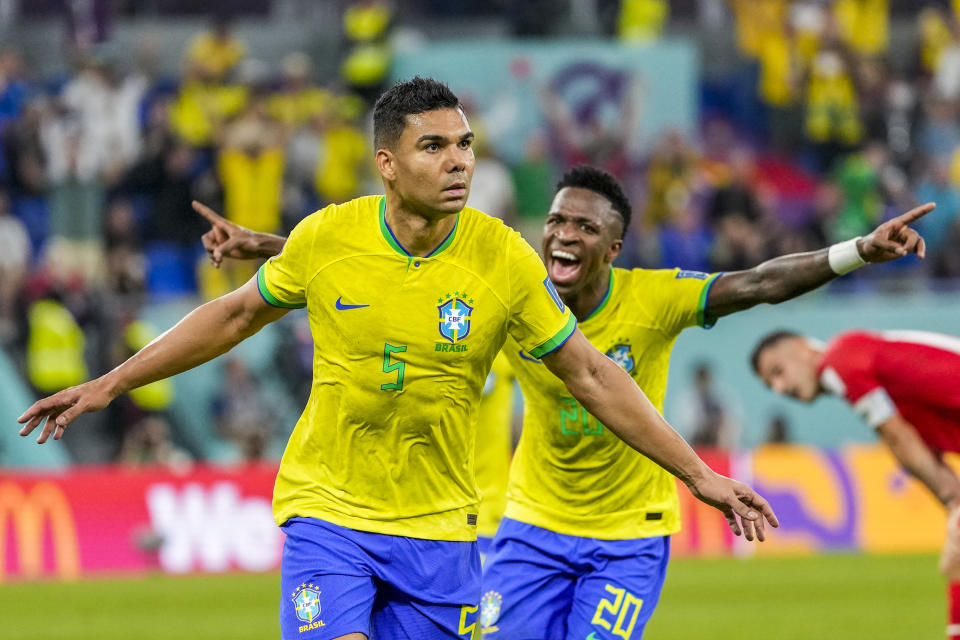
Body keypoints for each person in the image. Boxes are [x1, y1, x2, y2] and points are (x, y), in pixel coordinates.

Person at [18, 78, 776, 640]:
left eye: (466, 144)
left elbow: (592, 374)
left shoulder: (502, 259)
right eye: (435, 146)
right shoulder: (328, 236)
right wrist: (110, 382)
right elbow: (235, 312)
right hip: (331, 513)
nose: (460, 162)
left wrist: (699, 474)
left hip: (443, 531)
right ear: (386, 162)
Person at [196, 161, 928, 639]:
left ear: (613, 248)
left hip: (628, 538)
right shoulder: (513, 293)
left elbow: (762, 282)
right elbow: (372, 256)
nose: (563, 235)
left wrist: (857, 251)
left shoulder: (656, 299)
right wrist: (262, 244)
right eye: (556, 222)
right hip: (531, 530)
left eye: (585, 228)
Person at [751, 328, 960, 640]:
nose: (780, 389)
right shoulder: (871, 364)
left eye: (778, 372)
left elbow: (897, 436)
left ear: (802, 346)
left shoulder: (838, 364)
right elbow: (914, 444)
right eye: (771, 385)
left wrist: (951, 501)